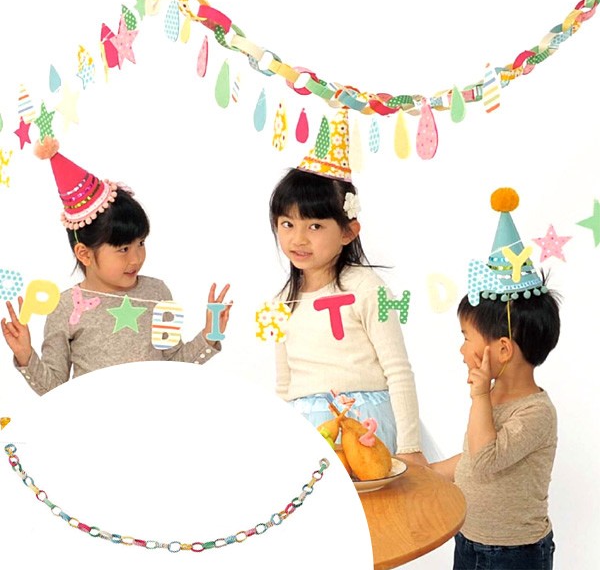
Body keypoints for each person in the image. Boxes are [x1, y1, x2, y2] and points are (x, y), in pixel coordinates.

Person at [268, 109, 439, 465]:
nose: (298, 238)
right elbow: (284, 384)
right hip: (310, 433)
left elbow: (398, 370)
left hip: (367, 427)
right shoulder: (280, 303)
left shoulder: (367, 288)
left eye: (315, 226)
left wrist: (410, 446)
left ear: (348, 232)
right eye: (287, 224)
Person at [1, 137, 230, 396]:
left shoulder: (157, 293)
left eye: (140, 243)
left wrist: (211, 334)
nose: (136, 258)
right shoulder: (64, 308)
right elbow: (54, 391)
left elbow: (175, 367)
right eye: (123, 249)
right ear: (84, 254)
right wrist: (25, 355)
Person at [431, 187, 560, 570]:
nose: (462, 350)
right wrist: (427, 473)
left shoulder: (536, 413)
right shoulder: (493, 398)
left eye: (466, 337)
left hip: (515, 554)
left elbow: (486, 461)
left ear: (503, 349)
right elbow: (474, 456)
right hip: (469, 539)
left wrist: (478, 397)